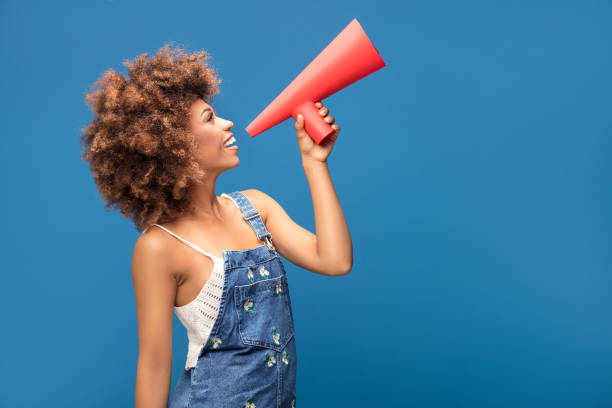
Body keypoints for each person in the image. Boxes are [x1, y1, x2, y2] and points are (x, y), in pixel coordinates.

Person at [80, 44, 353, 408]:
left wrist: (315, 163)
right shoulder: (158, 247)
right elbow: (154, 364)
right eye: (209, 118)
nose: (227, 123)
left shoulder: (256, 208)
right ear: (175, 146)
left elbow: (334, 261)